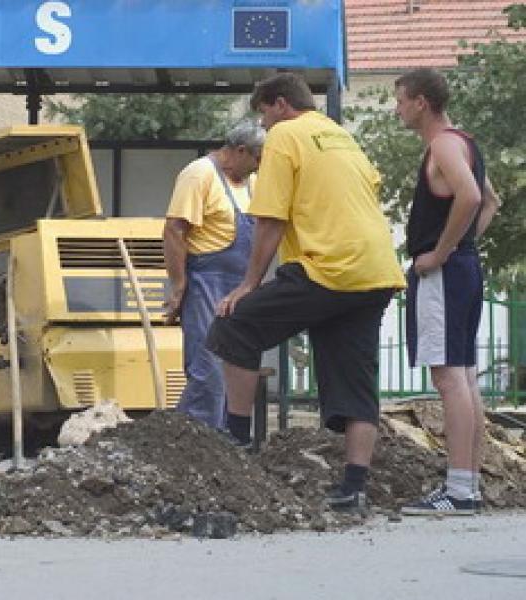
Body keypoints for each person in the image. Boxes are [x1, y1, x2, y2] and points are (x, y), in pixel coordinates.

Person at [205, 73, 406, 512]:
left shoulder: (286, 135)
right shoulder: (341, 136)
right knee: (357, 383)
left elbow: (270, 219)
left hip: (327, 266)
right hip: (375, 272)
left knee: (234, 324)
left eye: (263, 114)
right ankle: (354, 487)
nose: (263, 125)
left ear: (279, 105)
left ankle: (235, 440)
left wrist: (249, 284)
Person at [394, 68, 500, 516]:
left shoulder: (443, 144)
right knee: (465, 376)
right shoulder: (465, 142)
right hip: (463, 269)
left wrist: (441, 252)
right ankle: (467, 485)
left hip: (444, 272)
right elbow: (491, 200)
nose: (396, 109)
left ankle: (458, 491)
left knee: (448, 377)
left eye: (399, 100)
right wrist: (461, 248)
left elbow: (473, 197)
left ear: (421, 102)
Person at [163, 122, 264, 431]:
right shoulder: (200, 174)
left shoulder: (251, 182)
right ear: (240, 151)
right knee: (208, 367)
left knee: (233, 365)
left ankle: (219, 441)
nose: (260, 167)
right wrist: (179, 285)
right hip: (206, 280)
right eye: (257, 159)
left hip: (240, 285)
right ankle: (193, 442)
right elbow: (174, 230)